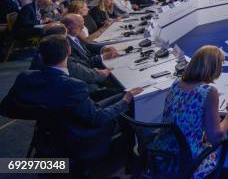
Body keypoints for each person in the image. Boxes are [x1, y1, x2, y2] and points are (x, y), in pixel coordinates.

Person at [0, 35, 142, 156]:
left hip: (48, 132)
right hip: (79, 135)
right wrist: (125, 101)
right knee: (130, 104)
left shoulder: (25, 76)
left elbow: (7, 107)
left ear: (40, 56)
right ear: (68, 51)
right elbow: (97, 119)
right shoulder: (73, 86)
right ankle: (130, 160)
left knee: (120, 94)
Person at [153, 45, 228, 177]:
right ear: (214, 68)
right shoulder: (208, 92)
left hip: (161, 156)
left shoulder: (176, 83)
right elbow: (215, 138)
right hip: (187, 162)